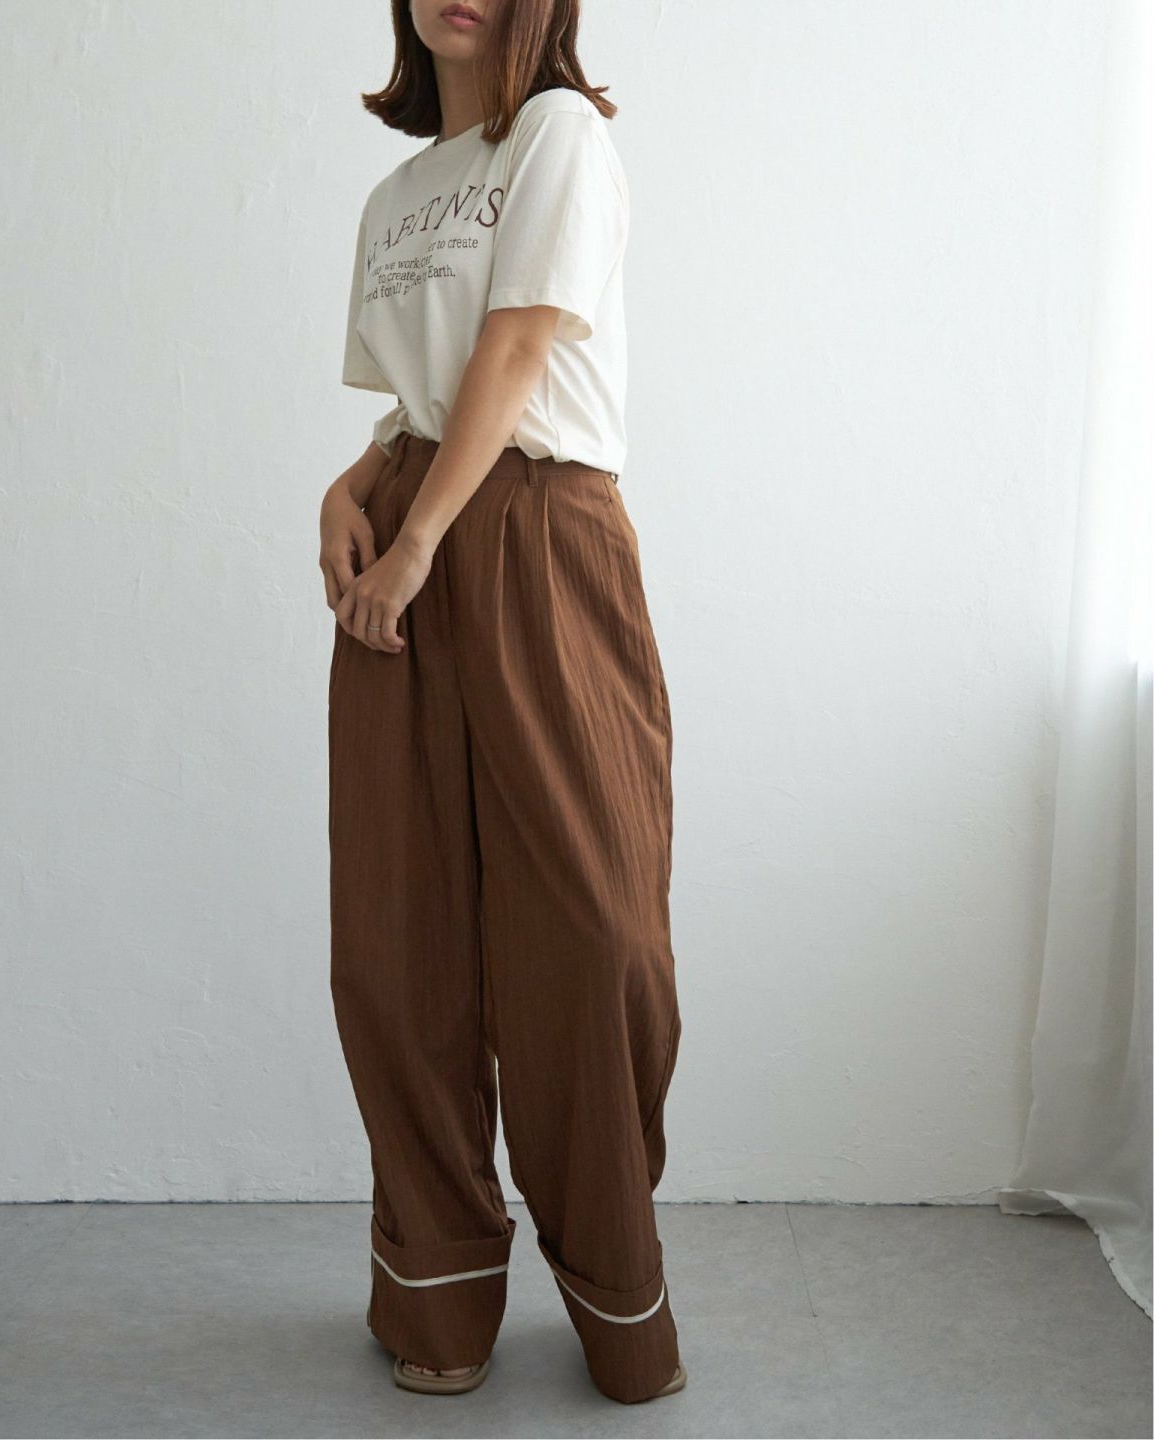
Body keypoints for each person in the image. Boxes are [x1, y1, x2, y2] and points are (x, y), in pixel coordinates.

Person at [319, 0, 685, 1406]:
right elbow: (422, 399)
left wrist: (418, 543)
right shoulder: (398, 193)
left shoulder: (561, 137)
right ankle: (439, 1292)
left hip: (539, 535)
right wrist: (357, 485)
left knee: (596, 933)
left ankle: (618, 1293)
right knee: (401, 937)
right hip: (412, 524)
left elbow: (523, 353)